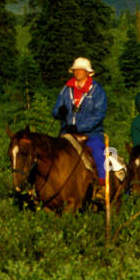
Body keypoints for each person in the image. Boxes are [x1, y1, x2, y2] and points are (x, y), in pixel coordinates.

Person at [52, 57, 110, 201]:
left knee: (98, 152)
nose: (77, 72)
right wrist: (60, 112)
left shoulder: (97, 91)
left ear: (87, 72)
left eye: (80, 70)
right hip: (67, 132)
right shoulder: (66, 89)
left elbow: (99, 115)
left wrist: (79, 127)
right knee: (49, 153)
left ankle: (101, 188)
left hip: (91, 133)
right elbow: (55, 110)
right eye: (75, 70)